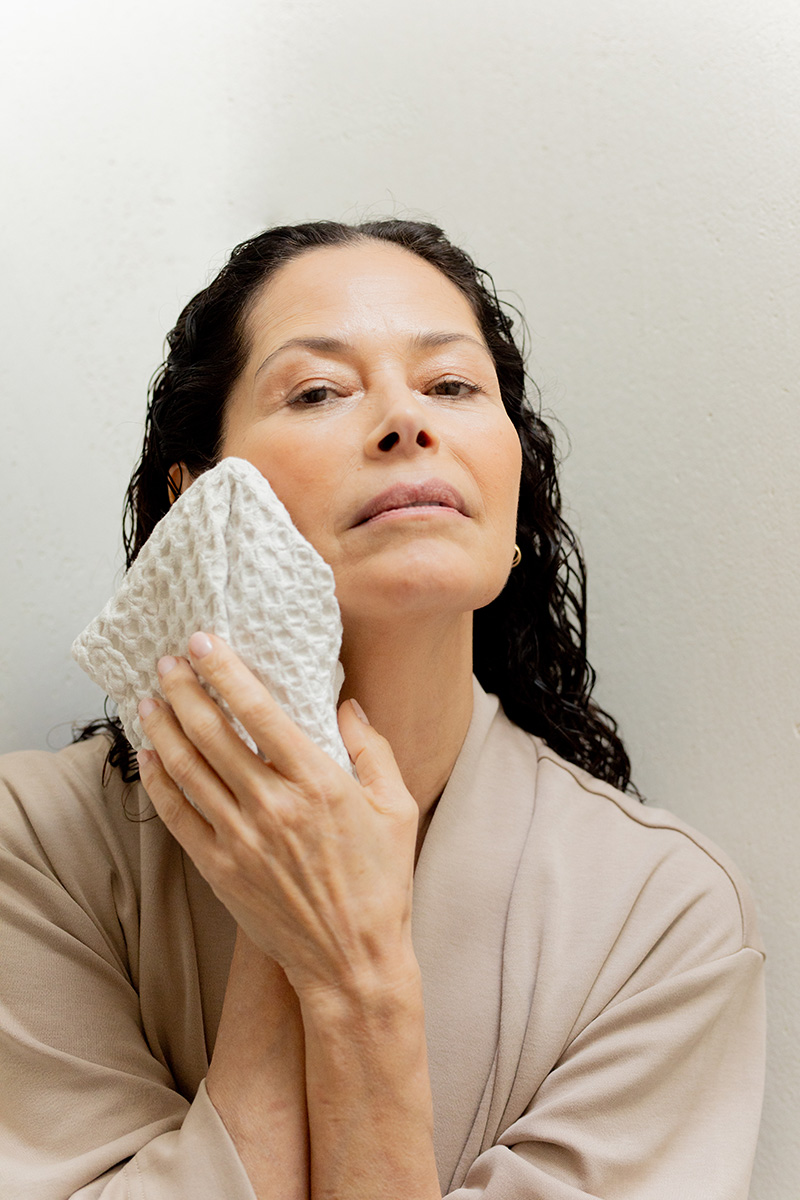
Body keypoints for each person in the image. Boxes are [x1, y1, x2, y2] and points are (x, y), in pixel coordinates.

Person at [0, 220, 765, 1200]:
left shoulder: (662, 918)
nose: (407, 421)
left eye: (451, 386)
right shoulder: (37, 846)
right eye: (317, 391)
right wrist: (289, 913)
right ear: (197, 502)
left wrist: (354, 984)